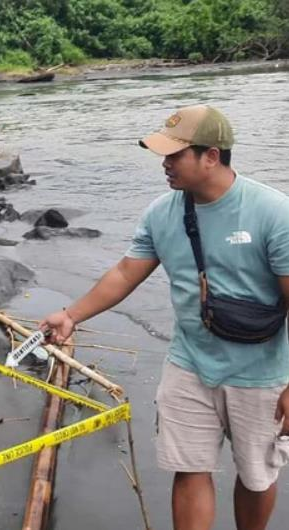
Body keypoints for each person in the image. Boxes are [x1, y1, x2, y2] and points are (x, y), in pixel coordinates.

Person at [40, 105, 289, 530]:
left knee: (256, 473)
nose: (164, 164)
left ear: (211, 156)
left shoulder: (273, 213)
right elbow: (125, 272)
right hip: (189, 364)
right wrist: (70, 315)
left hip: (261, 374)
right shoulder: (162, 212)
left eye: (175, 155)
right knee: (189, 467)